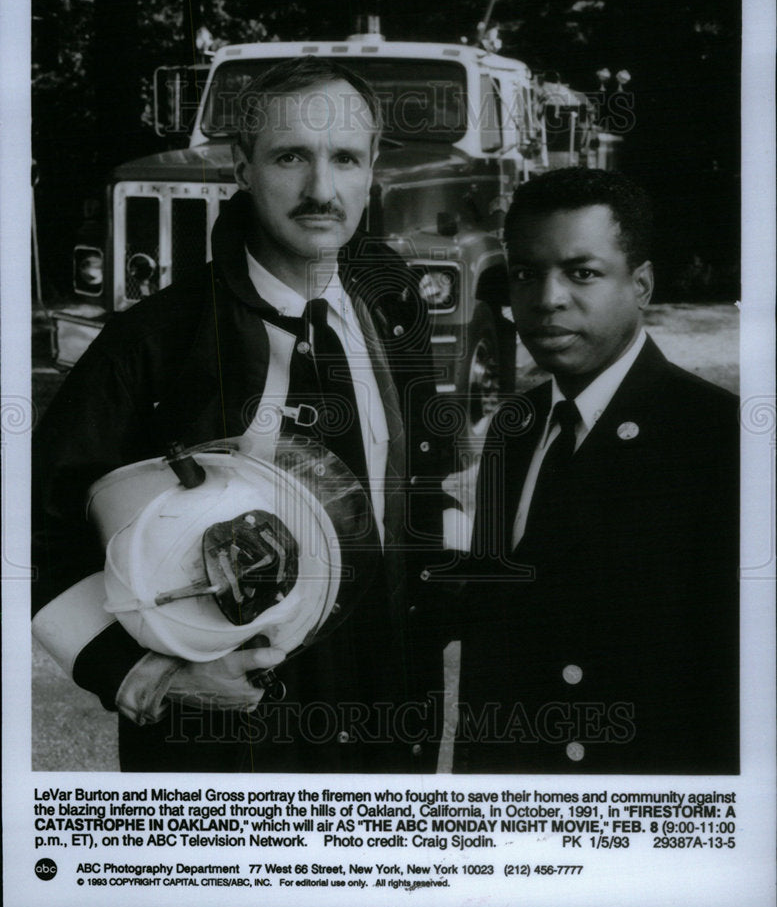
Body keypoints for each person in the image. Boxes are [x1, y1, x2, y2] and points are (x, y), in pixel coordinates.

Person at [32, 56, 453, 773]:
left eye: (344, 158)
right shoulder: (154, 340)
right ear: (241, 165)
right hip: (233, 743)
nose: (322, 189)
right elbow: (32, 529)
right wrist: (148, 675)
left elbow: (424, 493)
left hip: (387, 721)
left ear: (372, 166)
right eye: (291, 156)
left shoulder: (393, 307)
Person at [455, 167, 739, 774]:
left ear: (642, 284)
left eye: (582, 272)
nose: (548, 297)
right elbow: (495, 643)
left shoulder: (720, 440)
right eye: (527, 274)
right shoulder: (516, 426)